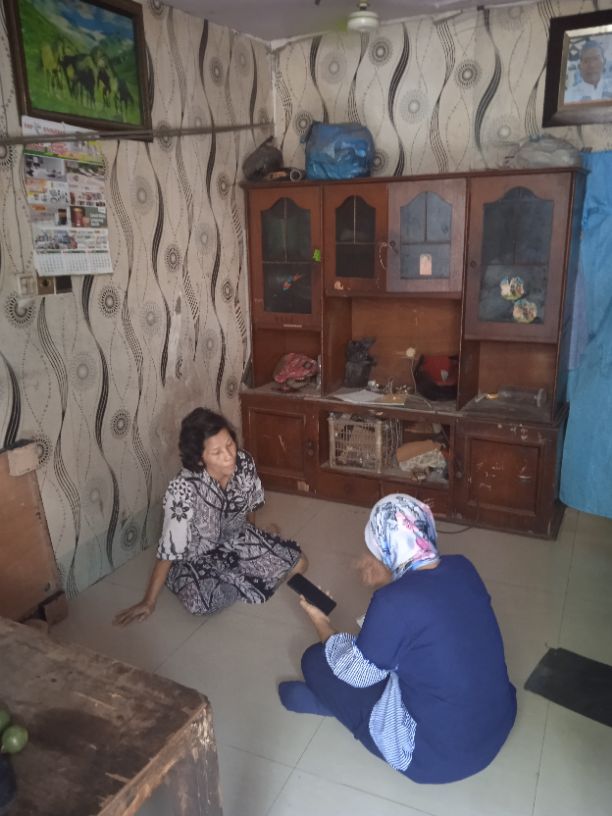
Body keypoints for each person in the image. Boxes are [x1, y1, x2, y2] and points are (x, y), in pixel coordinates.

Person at [279, 494, 517, 784]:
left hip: (436, 758)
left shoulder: (392, 603)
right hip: (496, 724)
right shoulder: (463, 566)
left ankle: (335, 707)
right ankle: (345, 704)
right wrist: (387, 583)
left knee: (315, 660)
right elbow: (427, 614)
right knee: (396, 658)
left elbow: (353, 672)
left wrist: (320, 621)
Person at [114, 407, 307, 625]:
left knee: (299, 563)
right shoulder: (183, 490)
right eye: (217, 453)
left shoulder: (244, 462)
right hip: (195, 557)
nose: (229, 456)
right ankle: (224, 575)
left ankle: (236, 571)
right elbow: (170, 548)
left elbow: (251, 504)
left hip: (234, 540)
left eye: (230, 444)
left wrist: (252, 535)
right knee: (203, 603)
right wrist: (148, 601)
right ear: (199, 460)